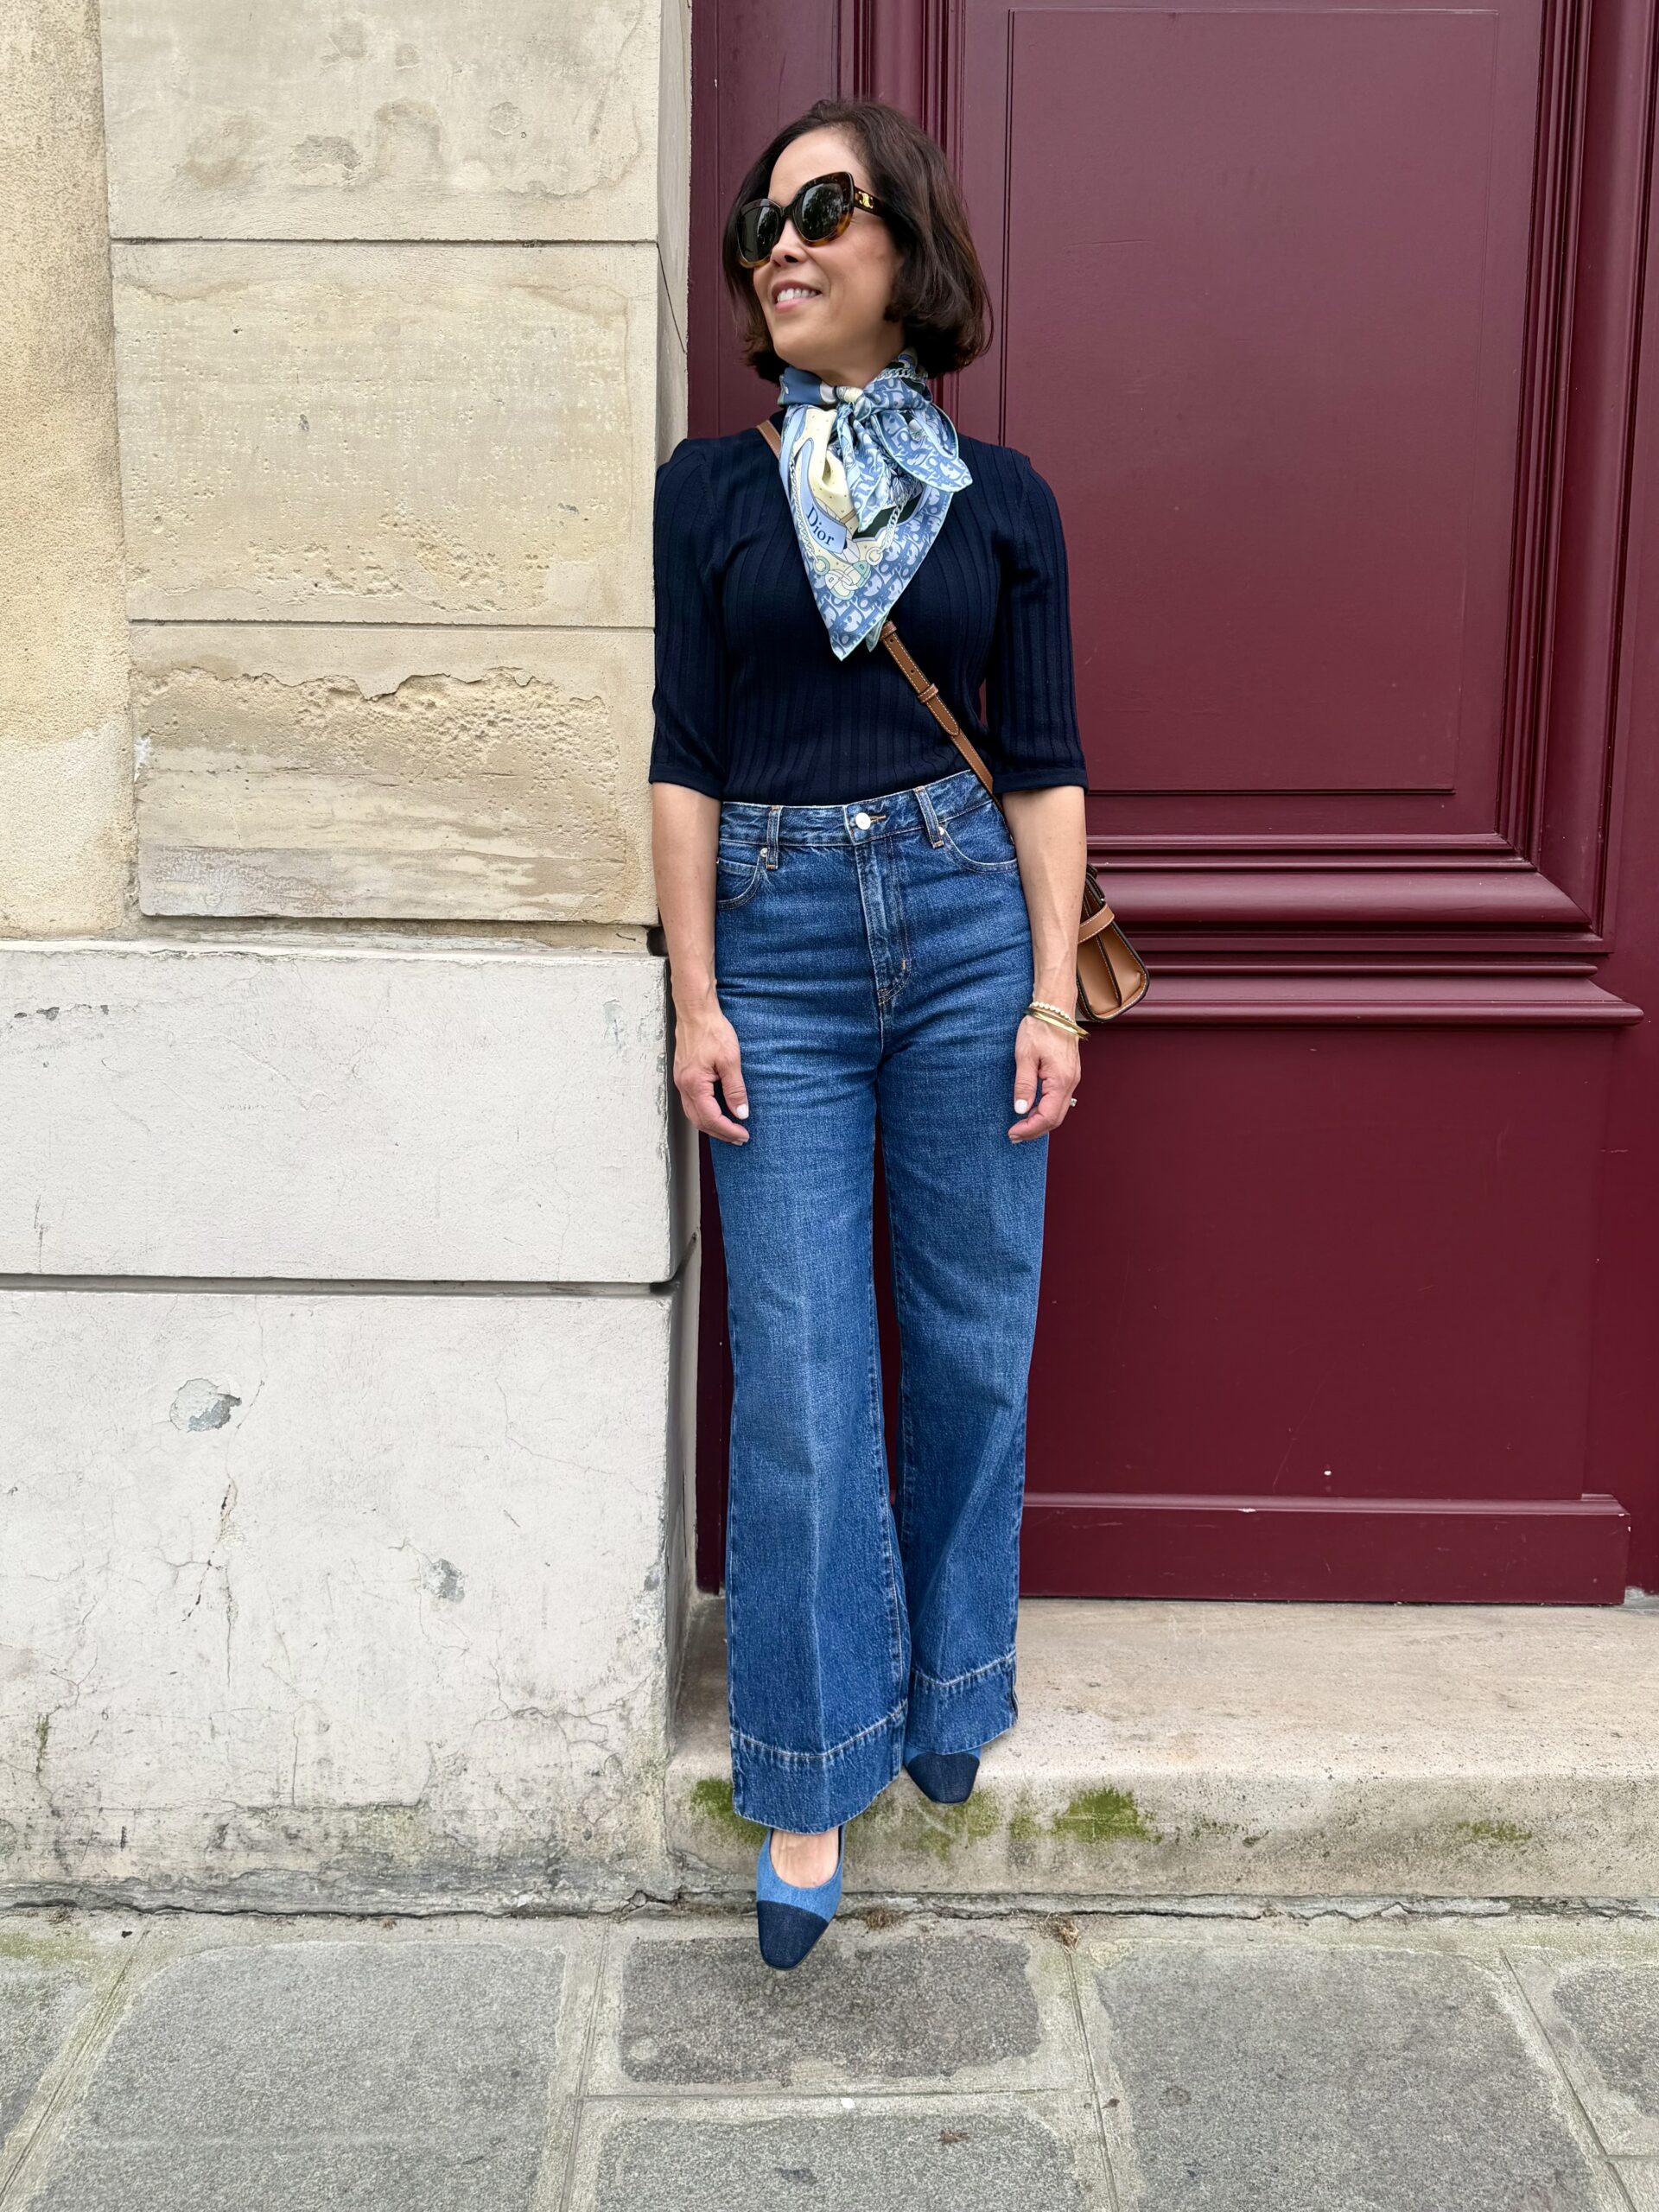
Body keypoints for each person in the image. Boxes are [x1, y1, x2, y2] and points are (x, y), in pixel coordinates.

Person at [648, 97, 1090, 1969]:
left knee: (974, 1331)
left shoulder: (1006, 499)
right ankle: (814, 1761)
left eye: (824, 207)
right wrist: (696, 996)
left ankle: (953, 1677)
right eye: (763, 216)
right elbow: (683, 754)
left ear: (910, 246)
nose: (782, 241)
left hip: (969, 927)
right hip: (777, 948)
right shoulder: (708, 489)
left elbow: (1045, 761)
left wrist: (1055, 989)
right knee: (806, 1373)